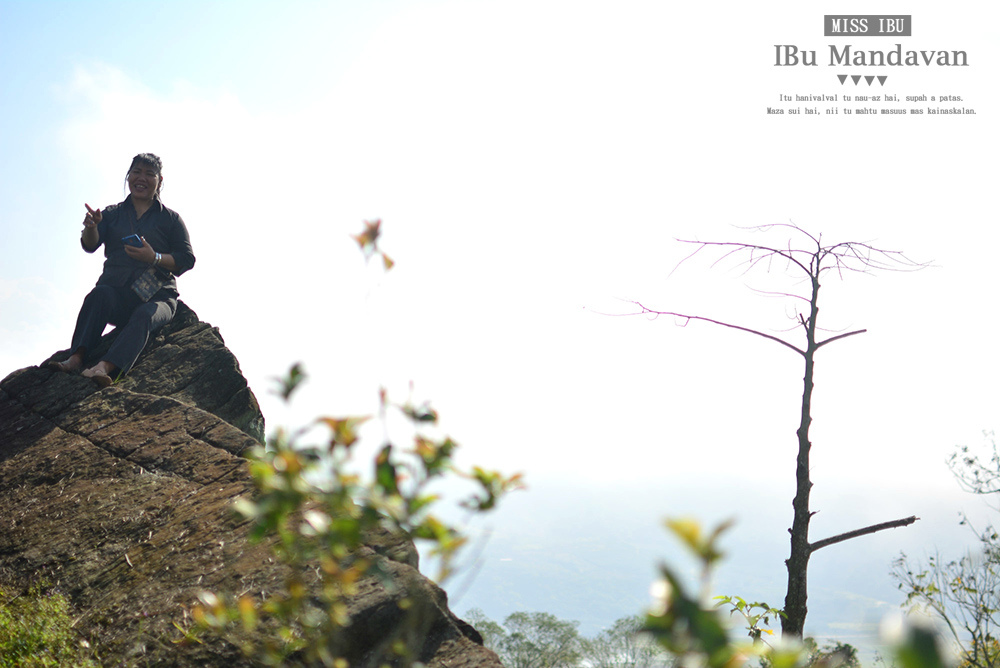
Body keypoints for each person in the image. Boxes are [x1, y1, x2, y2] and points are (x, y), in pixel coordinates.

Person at [48, 153, 196, 387]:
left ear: (160, 180)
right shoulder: (112, 214)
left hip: (158, 297)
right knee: (98, 295)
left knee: (144, 315)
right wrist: (92, 226)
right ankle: (75, 358)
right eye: (136, 172)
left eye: (149, 174)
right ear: (128, 176)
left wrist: (154, 257)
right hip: (118, 294)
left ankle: (105, 368)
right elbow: (90, 244)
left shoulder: (171, 219)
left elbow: (186, 259)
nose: (142, 178)